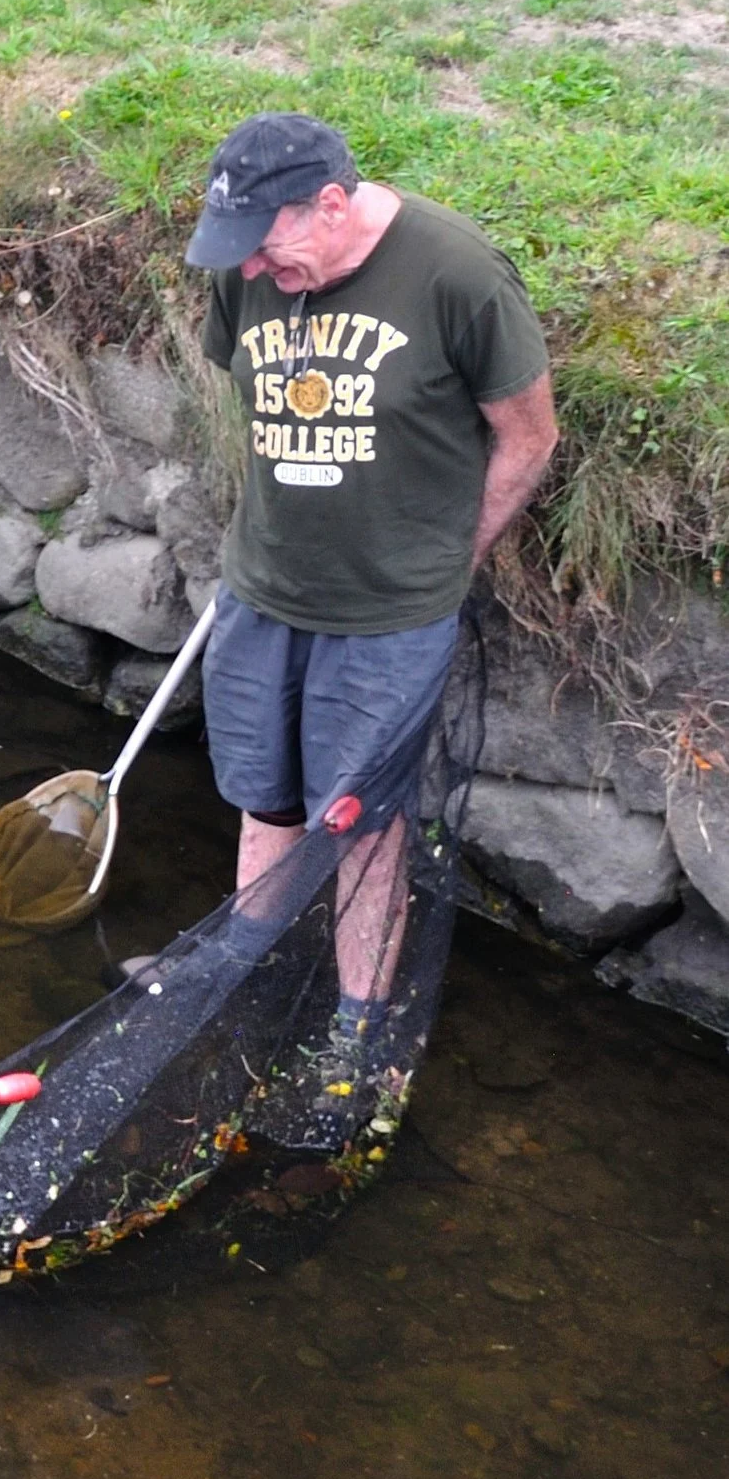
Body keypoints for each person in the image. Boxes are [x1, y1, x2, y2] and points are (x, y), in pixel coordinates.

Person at [184, 111, 559, 1065]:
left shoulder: (458, 276)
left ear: (331, 205)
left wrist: (447, 560)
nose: (252, 269)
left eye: (265, 245)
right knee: (263, 798)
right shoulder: (251, 270)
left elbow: (529, 438)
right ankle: (243, 970)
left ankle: (357, 1026)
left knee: (359, 826)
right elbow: (254, 396)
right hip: (263, 592)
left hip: (388, 620)